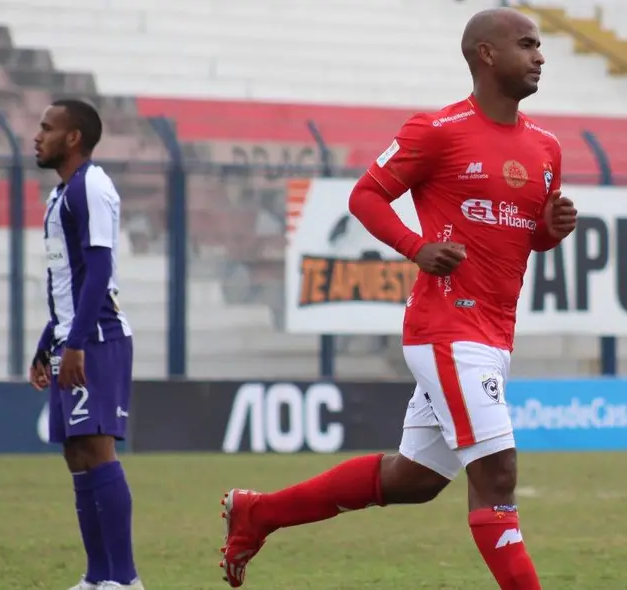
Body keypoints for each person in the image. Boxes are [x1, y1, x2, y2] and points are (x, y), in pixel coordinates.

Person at [219, 8, 577, 589]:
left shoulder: (546, 146)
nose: (539, 56)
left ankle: (259, 512)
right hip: (447, 329)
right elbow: (366, 196)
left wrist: (549, 231)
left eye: (540, 46)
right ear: (485, 55)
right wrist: (417, 247)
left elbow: (526, 239)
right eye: (527, 45)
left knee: (415, 479)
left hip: (492, 333)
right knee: (498, 476)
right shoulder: (438, 130)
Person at [28, 99, 143, 590]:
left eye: (46, 128)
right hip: (71, 336)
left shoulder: (92, 186)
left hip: (95, 337)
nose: (37, 136)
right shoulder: (61, 196)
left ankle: (126, 579)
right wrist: (46, 342)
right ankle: (97, 578)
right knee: (76, 453)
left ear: (73, 137)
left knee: (97, 450)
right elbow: (65, 278)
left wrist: (74, 343)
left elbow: (99, 268)